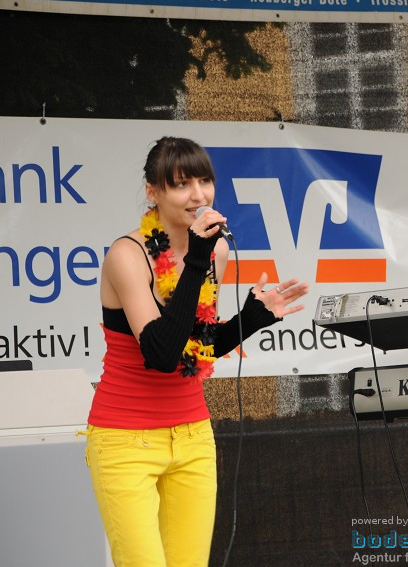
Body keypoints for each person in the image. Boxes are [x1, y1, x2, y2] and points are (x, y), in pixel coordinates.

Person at [83, 136, 308, 567]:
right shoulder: (127, 255)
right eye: (181, 184)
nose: (198, 195)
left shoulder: (216, 250)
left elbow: (197, 346)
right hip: (125, 440)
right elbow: (162, 352)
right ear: (153, 192)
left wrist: (253, 317)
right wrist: (196, 260)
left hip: (192, 434)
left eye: (205, 181)